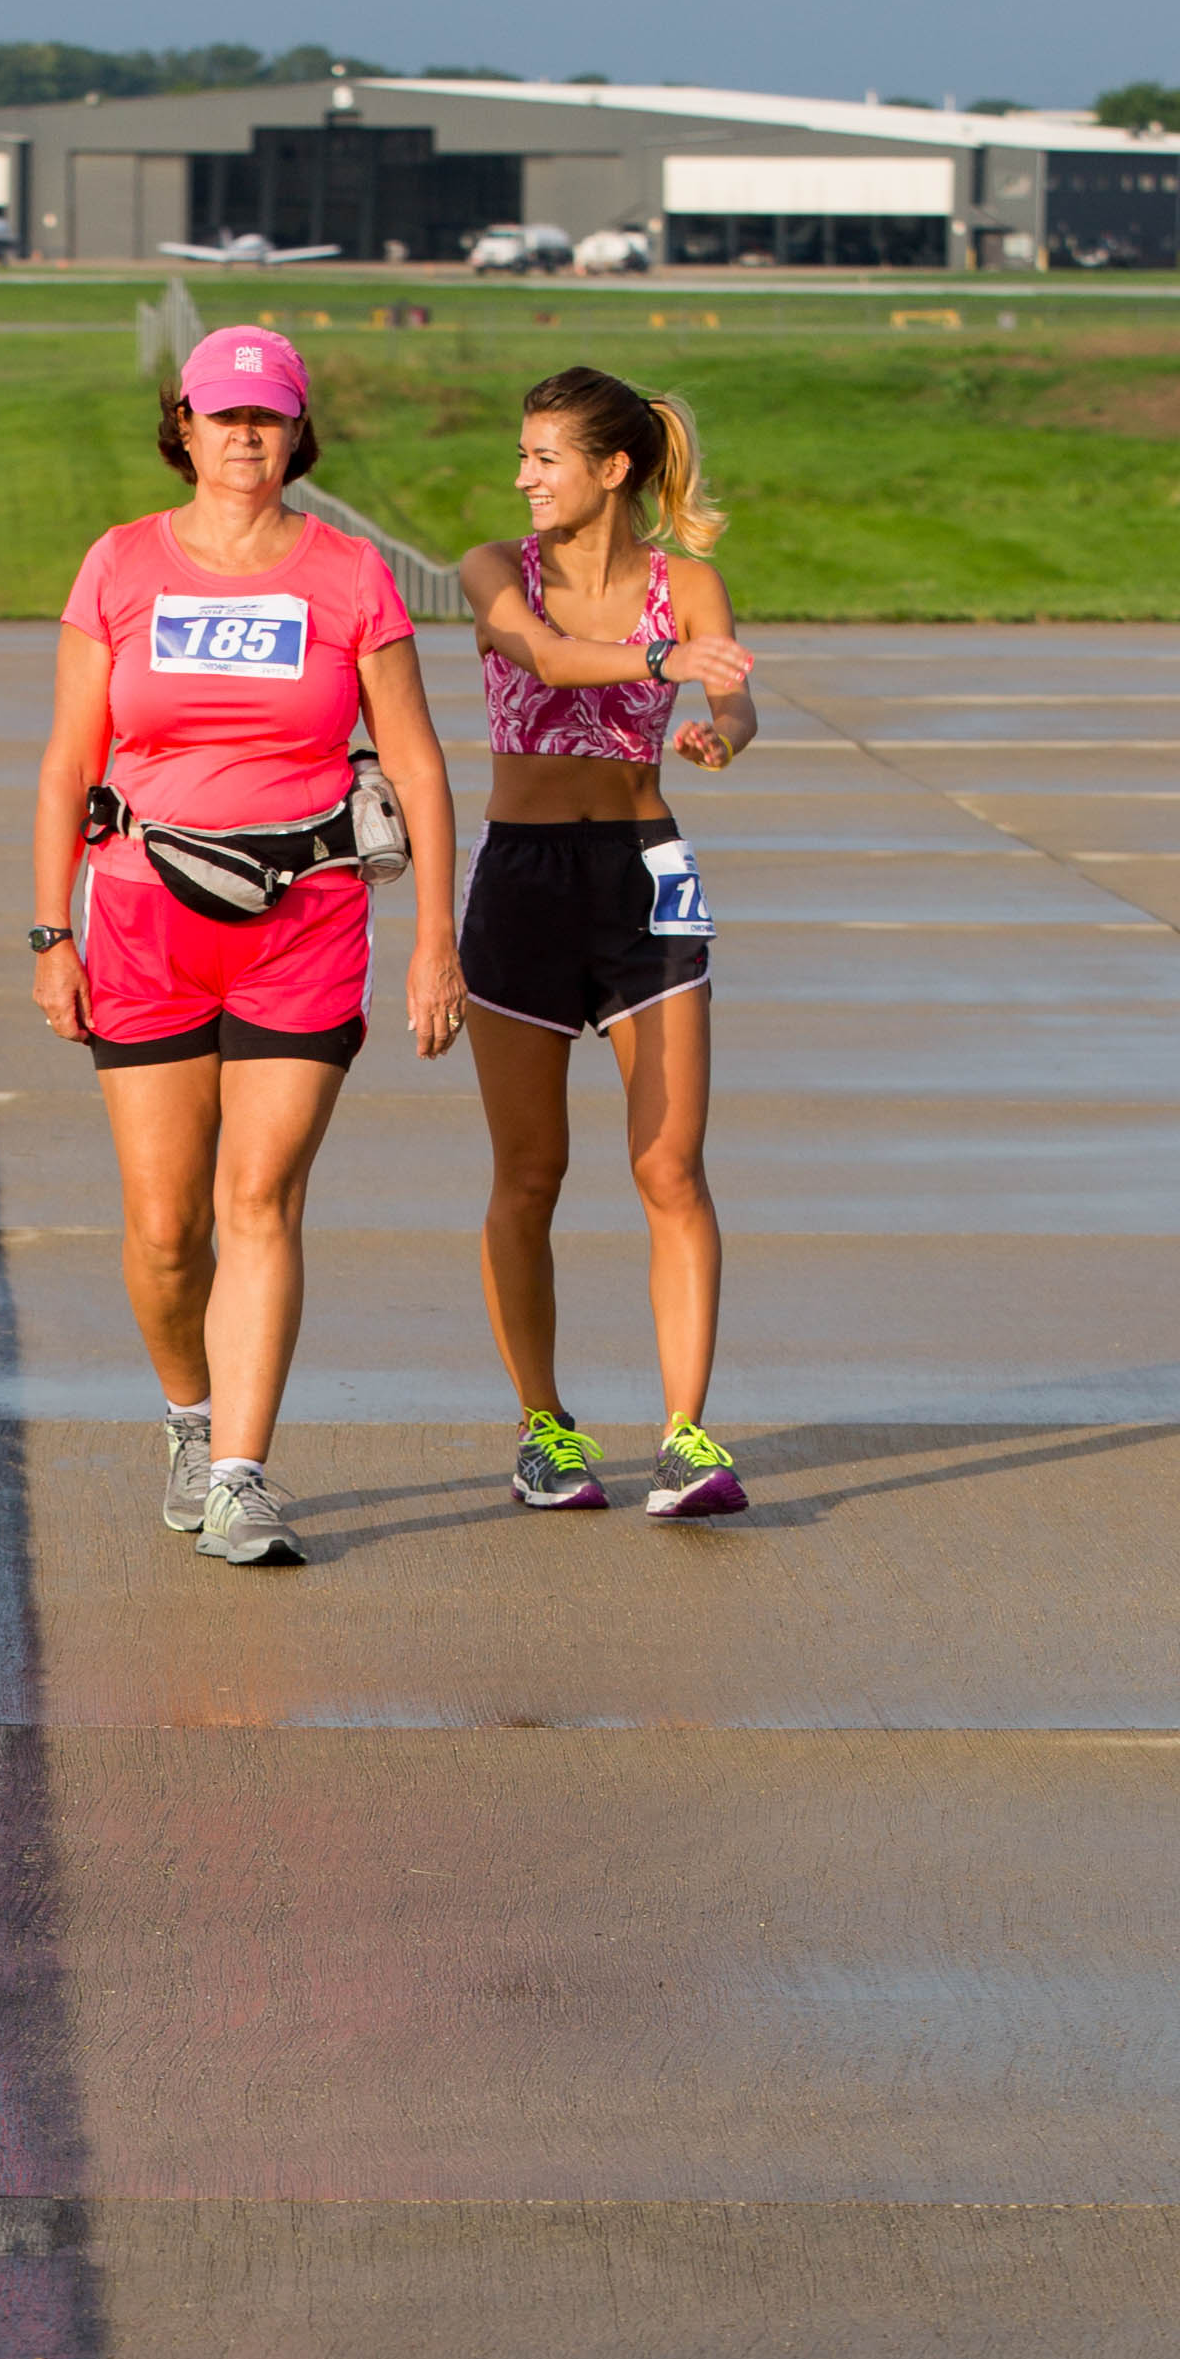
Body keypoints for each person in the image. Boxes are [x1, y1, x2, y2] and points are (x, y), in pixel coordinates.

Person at [31, 320, 464, 1564]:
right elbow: (67, 761)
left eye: (264, 417)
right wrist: (49, 928)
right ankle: (186, 1416)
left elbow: (419, 764)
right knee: (167, 1226)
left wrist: (435, 932)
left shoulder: (347, 575)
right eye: (221, 416)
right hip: (140, 916)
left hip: (307, 921)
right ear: (182, 426)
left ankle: (240, 1474)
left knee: (260, 1196)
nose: (242, 436)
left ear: (295, 431)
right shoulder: (118, 565)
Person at [459, 371, 757, 1516]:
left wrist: (720, 730)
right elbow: (536, 658)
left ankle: (686, 1435)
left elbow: (731, 694)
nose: (523, 475)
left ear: (611, 469)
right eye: (523, 453)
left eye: (544, 456)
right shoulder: (495, 569)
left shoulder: (688, 583)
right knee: (530, 1171)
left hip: (648, 872)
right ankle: (544, 1427)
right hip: (522, 881)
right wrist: (658, 665)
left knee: (670, 1167)